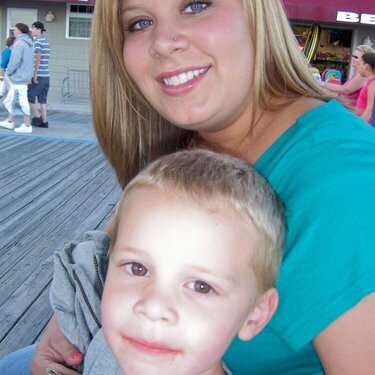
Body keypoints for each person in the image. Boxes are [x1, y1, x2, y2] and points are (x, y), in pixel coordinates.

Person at [2, 0, 375, 373]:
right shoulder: (185, 138)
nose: (163, 42)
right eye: (140, 21)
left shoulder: (348, 186)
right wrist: (67, 324)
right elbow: (122, 236)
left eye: (196, 5)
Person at [49, 149, 285, 375]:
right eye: (137, 268)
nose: (153, 306)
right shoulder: (107, 349)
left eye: (201, 286)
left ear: (254, 314)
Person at [0, 23, 33, 133]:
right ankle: (10, 121)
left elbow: (15, 60)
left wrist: (9, 71)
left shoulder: (19, 43)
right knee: (12, 99)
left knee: (21, 100)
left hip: (18, 76)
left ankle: (27, 125)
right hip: (25, 75)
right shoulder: (29, 43)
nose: (13, 30)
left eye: (15, 29)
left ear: (19, 30)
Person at [322, 44, 374, 111]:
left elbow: (345, 90)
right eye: (353, 56)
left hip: (351, 111)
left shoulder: (362, 76)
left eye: (356, 57)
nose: (353, 59)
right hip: (345, 108)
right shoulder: (357, 74)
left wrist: (322, 84)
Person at [28, 21, 50, 129]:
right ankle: (45, 121)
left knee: (29, 95)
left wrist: (35, 74)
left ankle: (37, 117)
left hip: (39, 74)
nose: (31, 30)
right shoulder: (45, 42)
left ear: (37, 29)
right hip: (46, 75)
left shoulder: (37, 41)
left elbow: (38, 56)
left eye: (32, 28)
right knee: (42, 98)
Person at [355, 52, 375, 124]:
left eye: (360, 64)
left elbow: (370, 109)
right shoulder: (369, 81)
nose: (358, 67)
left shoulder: (373, 83)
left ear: (366, 66)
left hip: (365, 124)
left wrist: (359, 124)